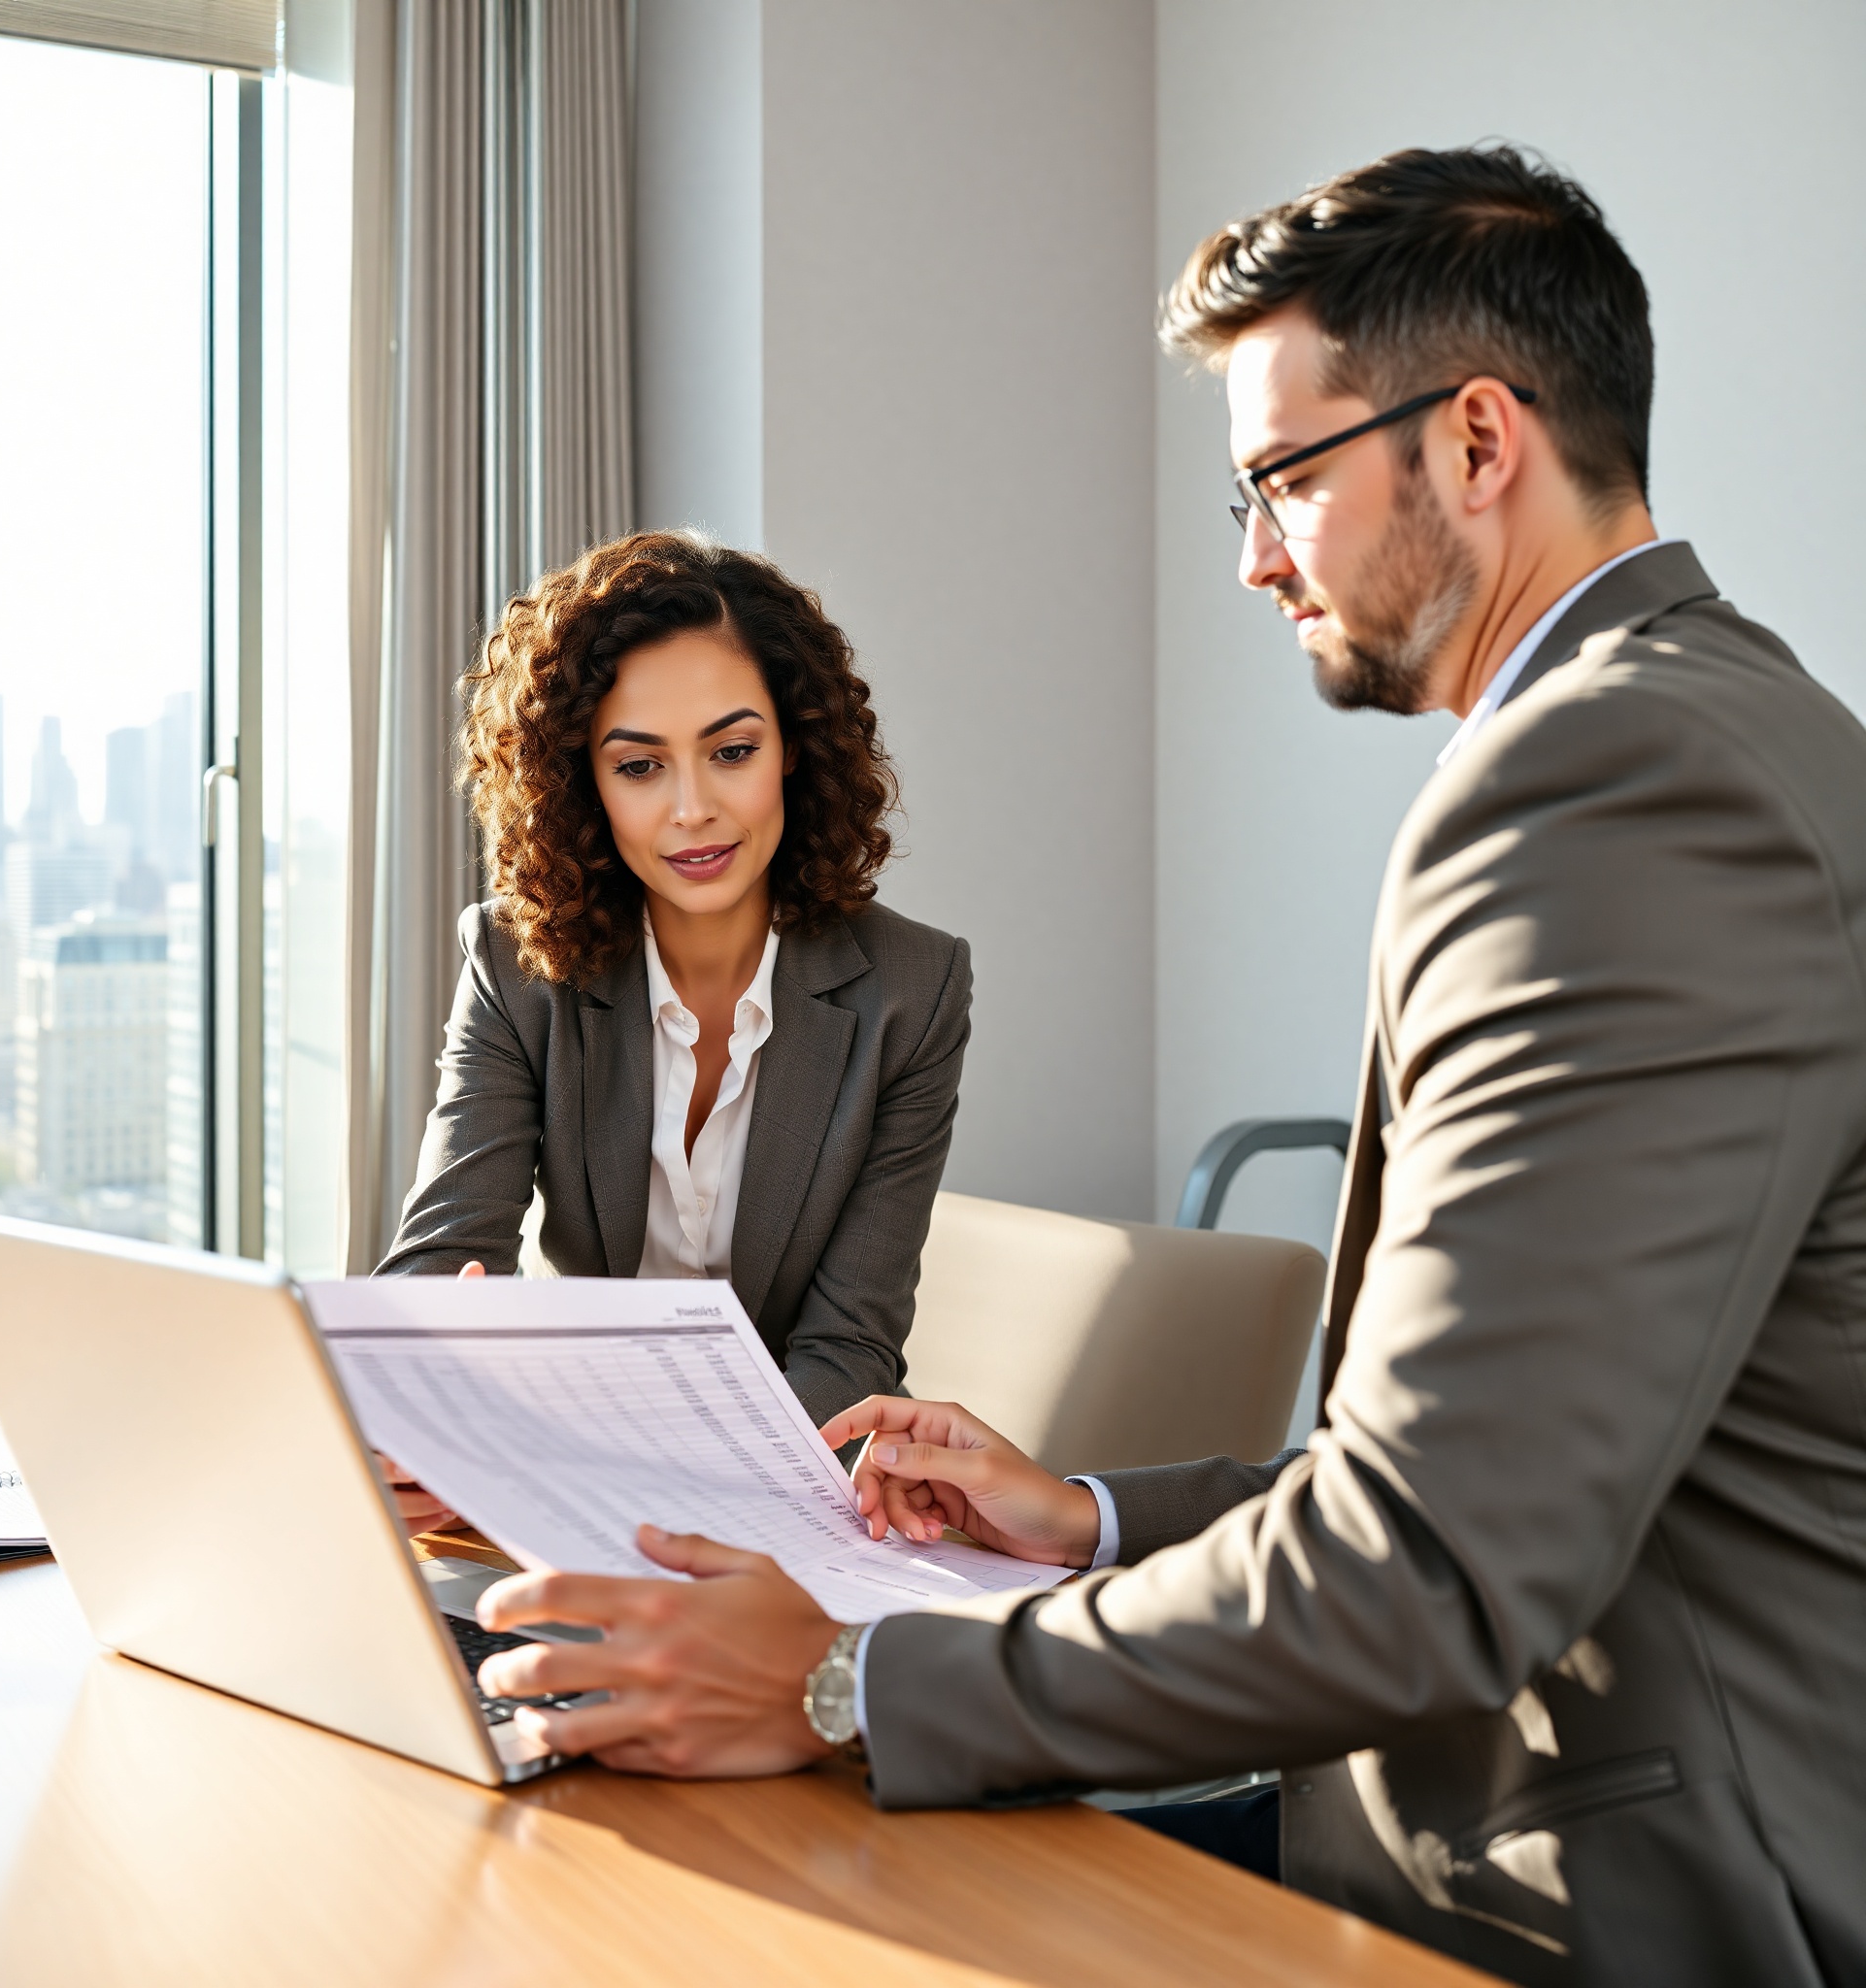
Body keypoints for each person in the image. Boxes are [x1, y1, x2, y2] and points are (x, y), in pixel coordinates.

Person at [453, 149, 1866, 1987]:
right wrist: (1090, 1514)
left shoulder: (1602, 793)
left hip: (1622, 1880)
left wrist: (837, 1672)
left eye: (1281, 479)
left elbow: (1425, 1568)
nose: (1253, 554)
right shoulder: (1724, 719)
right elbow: (1488, 1466)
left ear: (1477, 441)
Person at [377, 531, 972, 1453]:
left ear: (795, 752)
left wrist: (673, 1464)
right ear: (583, 786)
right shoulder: (514, 965)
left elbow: (848, 1351)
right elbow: (437, 1267)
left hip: (784, 1476)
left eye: (731, 751)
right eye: (640, 765)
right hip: (558, 1456)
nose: (692, 808)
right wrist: (445, 1372)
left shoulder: (912, 991)